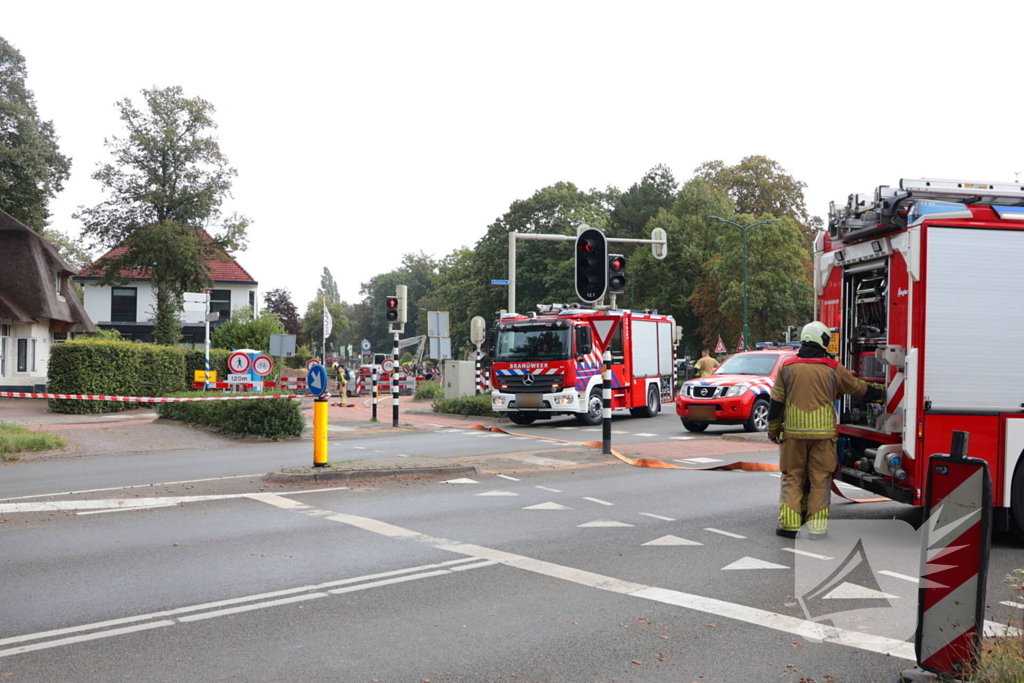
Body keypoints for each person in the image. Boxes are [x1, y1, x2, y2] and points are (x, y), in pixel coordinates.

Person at [767, 321, 884, 540]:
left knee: (792, 477)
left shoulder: (787, 366)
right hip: (823, 437)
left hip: (793, 435)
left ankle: (790, 526)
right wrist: (882, 393)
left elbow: (776, 403)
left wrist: (773, 431)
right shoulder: (833, 368)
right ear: (823, 341)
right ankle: (817, 529)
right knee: (820, 479)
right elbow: (859, 388)